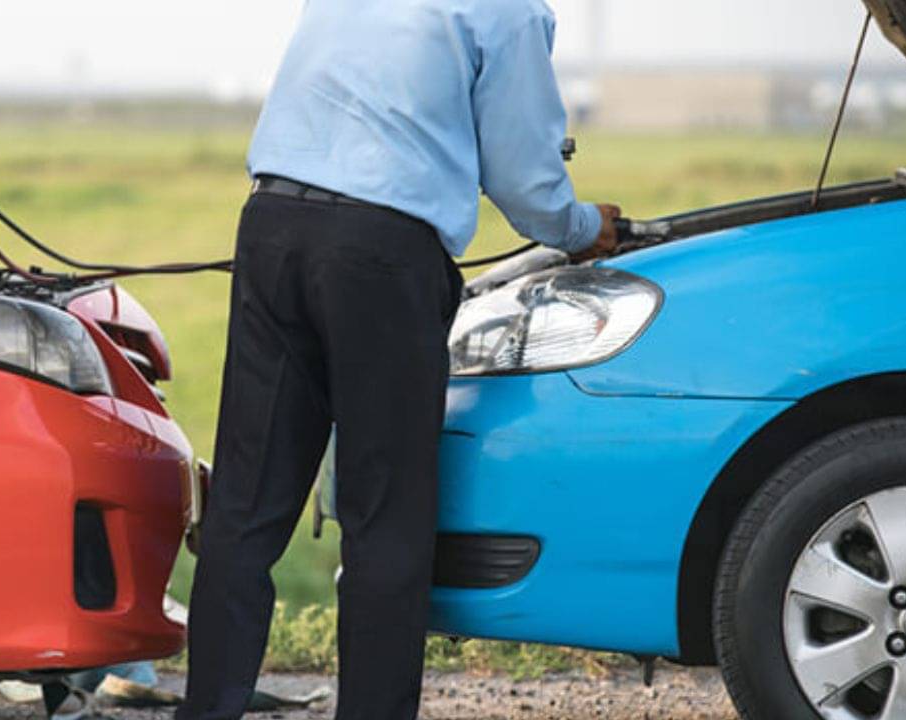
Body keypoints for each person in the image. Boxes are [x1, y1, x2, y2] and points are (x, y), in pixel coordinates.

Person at [177, 1, 620, 718]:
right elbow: (525, 178)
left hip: (272, 228)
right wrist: (580, 226)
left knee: (244, 506)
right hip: (380, 255)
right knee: (385, 517)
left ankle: (207, 711)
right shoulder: (508, 12)